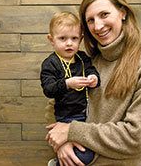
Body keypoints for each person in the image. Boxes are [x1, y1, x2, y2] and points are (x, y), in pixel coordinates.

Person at [45, 0, 141, 166]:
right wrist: (63, 143)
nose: (97, 26)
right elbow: (58, 103)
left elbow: (135, 138)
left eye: (104, 14)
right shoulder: (88, 63)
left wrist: (72, 131)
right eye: (90, 20)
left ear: (123, 13)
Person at [40, 11, 100, 165]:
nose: (69, 43)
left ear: (80, 39)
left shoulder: (82, 58)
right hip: (65, 117)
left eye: (74, 39)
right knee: (82, 155)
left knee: (89, 152)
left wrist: (94, 79)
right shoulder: (50, 63)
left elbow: (91, 70)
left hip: (87, 116)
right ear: (51, 39)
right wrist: (67, 83)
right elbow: (48, 89)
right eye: (62, 38)